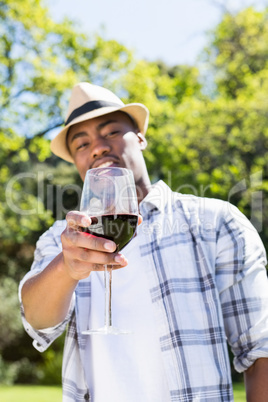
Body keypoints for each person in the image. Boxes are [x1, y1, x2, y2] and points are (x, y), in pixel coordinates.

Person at [19, 82, 268, 402]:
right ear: (77, 164)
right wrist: (66, 268)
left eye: (110, 132)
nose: (97, 148)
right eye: (81, 144)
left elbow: (260, 347)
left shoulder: (216, 222)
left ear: (139, 138)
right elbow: (36, 320)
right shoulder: (61, 238)